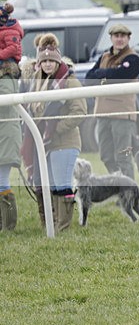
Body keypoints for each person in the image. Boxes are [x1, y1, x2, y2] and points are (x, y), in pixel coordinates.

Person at [25, 34, 87, 232]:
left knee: (61, 185)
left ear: (57, 61)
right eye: (45, 61)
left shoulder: (70, 81)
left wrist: (55, 128)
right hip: (44, 142)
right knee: (47, 185)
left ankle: (63, 228)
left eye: (52, 61)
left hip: (64, 142)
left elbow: (80, 112)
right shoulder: (36, 83)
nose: (48, 65)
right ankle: (50, 225)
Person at [84, 24, 139, 179]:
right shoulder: (104, 57)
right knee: (106, 155)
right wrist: (108, 75)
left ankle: (129, 193)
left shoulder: (133, 57)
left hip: (122, 114)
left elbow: (124, 74)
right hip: (102, 113)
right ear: (111, 38)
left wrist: (102, 74)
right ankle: (119, 185)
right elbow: (89, 78)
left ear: (128, 38)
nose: (119, 39)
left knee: (123, 156)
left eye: (123, 36)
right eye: (116, 36)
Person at [0, 56, 22, 231]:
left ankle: (9, 225)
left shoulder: (6, 78)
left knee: (2, 181)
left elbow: (6, 100)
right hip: (4, 134)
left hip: (6, 136)